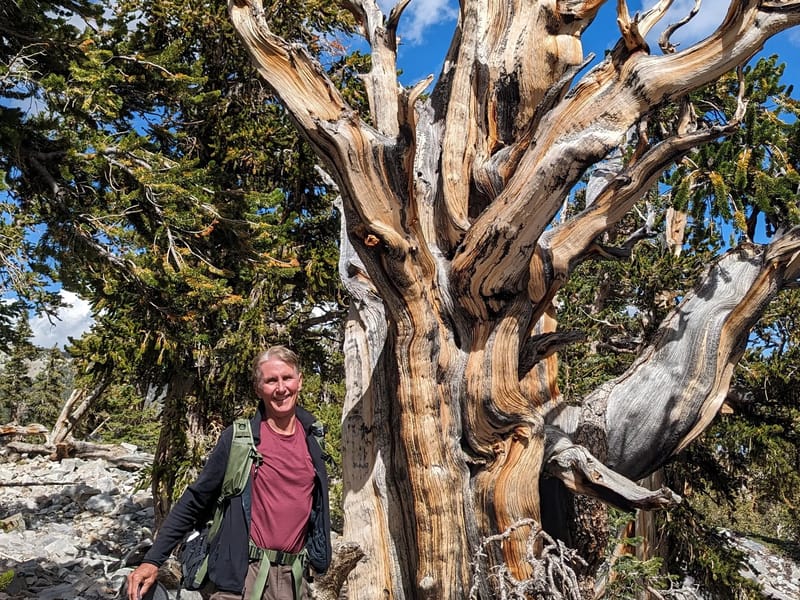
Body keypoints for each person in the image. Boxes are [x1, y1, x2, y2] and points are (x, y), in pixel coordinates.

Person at [127, 345, 331, 600]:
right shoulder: (239, 439)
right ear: (259, 389)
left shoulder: (313, 437)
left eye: (287, 378)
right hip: (242, 576)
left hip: (294, 578)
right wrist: (152, 560)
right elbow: (195, 500)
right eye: (270, 381)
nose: (281, 388)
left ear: (299, 381)